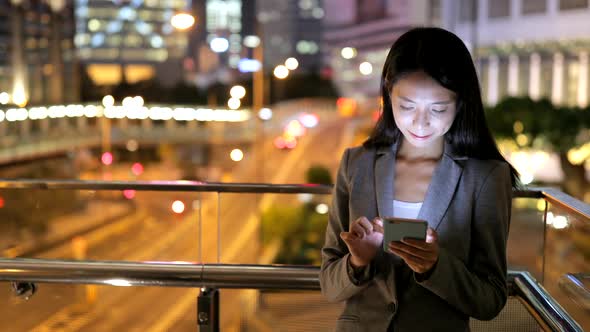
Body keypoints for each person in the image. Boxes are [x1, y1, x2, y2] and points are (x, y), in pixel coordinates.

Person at [320, 27, 520, 332]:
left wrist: (435, 267)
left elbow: (490, 299)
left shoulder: (485, 176)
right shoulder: (356, 163)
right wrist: (357, 263)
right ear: (388, 93)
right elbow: (329, 286)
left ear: (460, 102)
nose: (421, 122)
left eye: (438, 109)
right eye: (407, 106)